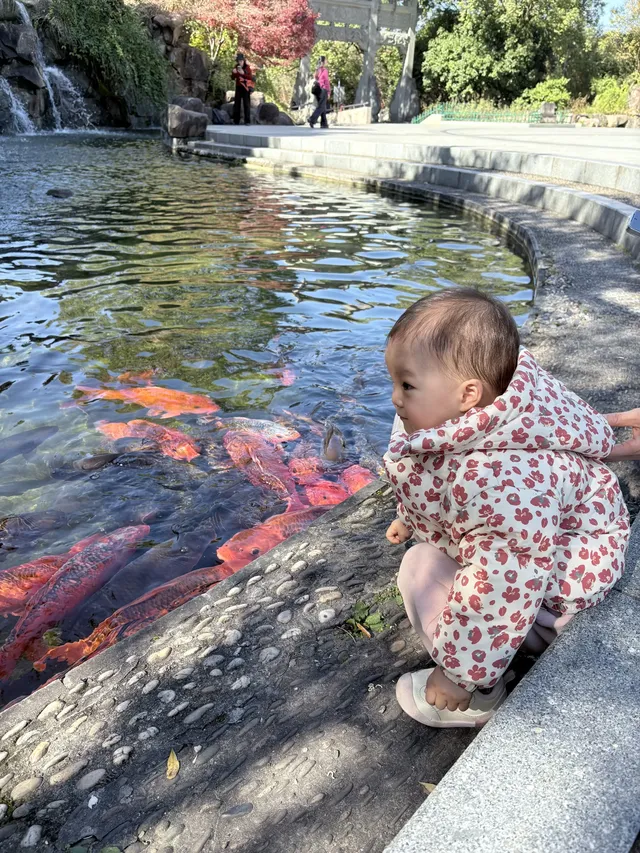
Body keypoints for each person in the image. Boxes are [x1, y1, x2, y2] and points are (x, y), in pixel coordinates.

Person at [383, 288, 631, 729]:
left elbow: (504, 577)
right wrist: (412, 515)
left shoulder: (496, 483)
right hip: (563, 550)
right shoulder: (512, 404)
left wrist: (459, 675)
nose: (395, 399)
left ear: (467, 394)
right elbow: (435, 476)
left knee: (419, 567)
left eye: (406, 384)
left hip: (554, 593)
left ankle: (481, 697)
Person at [309, 56, 330, 129]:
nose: (326, 62)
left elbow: (315, 78)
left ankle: (324, 123)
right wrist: (328, 92)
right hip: (323, 89)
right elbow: (326, 81)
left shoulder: (317, 70)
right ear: (323, 62)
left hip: (317, 89)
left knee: (322, 106)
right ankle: (312, 119)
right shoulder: (324, 70)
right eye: (326, 60)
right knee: (321, 107)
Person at [231, 52, 253, 126]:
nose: (240, 62)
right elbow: (233, 77)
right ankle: (236, 120)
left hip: (246, 87)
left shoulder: (247, 67)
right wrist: (234, 73)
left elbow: (250, 77)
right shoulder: (236, 66)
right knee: (237, 103)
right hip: (239, 86)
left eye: (241, 61)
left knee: (246, 103)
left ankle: (247, 121)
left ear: (243, 61)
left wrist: (243, 73)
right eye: (238, 61)